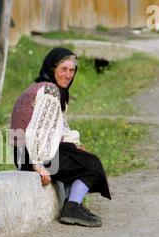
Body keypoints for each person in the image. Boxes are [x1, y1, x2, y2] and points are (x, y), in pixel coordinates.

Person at [9, 47, 111, 227]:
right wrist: (38, 165)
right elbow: (37, 130)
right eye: (63, 69)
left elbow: (59, 127)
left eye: (72, 70)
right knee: (92, 164)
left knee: (79, 155)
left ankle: (74, 205)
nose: (68, 75)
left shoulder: (46, 87)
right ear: (52, 68)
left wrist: (75, 144)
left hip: (24, 154)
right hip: (30, 156)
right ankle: (72, 207)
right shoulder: (50, 91)